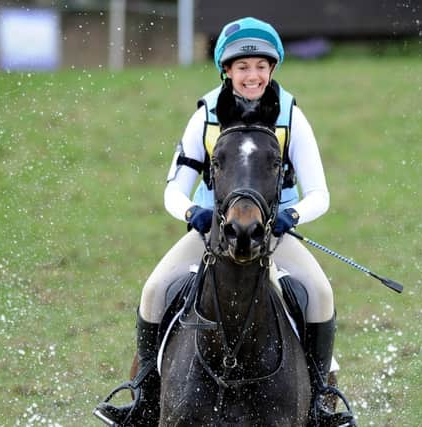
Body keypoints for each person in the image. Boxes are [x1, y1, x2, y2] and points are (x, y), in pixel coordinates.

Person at [95, 16, 350, 426]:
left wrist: (291, 215)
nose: (253, 75)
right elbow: (173, 189)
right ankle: (141, 397)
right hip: (214, 230)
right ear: (226, 70)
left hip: (272, 231)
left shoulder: (290, 116)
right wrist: (193, 212)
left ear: (273, 68)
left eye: (261, 66)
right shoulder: (206, 115)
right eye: (243, 67)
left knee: (320, 294)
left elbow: (320, 193)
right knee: (155, 290)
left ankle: (321, 400)